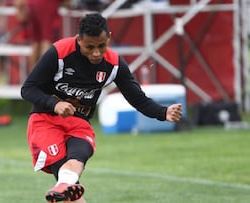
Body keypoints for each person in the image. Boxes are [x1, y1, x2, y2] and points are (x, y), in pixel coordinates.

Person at [20, 13, 183, 202]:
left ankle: (64, 185)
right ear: (79, 40)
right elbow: (28, 89)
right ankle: (65, 184)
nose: (96, 53)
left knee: (78, 159)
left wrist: (163, 112)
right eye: (90, 47)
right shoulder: (59, 53)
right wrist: (54, 104)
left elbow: (137, 99)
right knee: (67, 183)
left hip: (79, 123)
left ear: (109, 38)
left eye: (101, 46)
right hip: (45, 121)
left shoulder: (114, 64)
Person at [14, 0, 71, 71]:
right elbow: (68, 3)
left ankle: (33, 75)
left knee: (36, 40)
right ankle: (45, 73)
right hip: (47, 4)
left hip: (32, 4)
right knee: (46, 39)